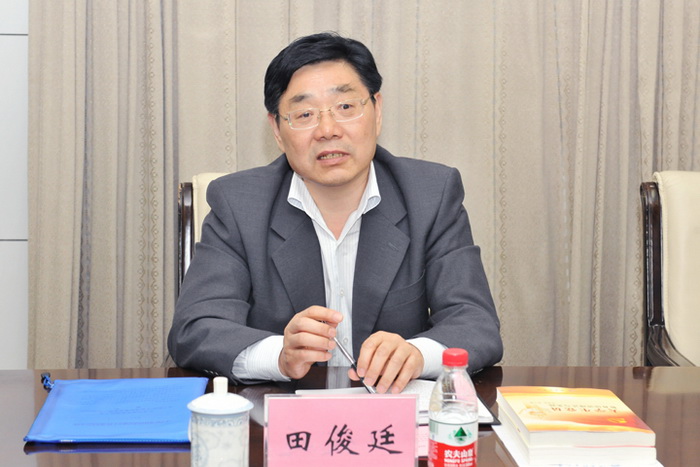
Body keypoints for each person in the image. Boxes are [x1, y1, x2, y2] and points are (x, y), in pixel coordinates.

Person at [168, 32, 502, 394]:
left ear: (376, 111)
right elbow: (196, 327)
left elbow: (475, 322)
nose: (328, 130)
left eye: (345, 107)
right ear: (277, 130)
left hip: (395, 417)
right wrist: (280, 356)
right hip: (283, 418)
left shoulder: (430, 195)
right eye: (305, 114)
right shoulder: (239, 204)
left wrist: (418, 355)